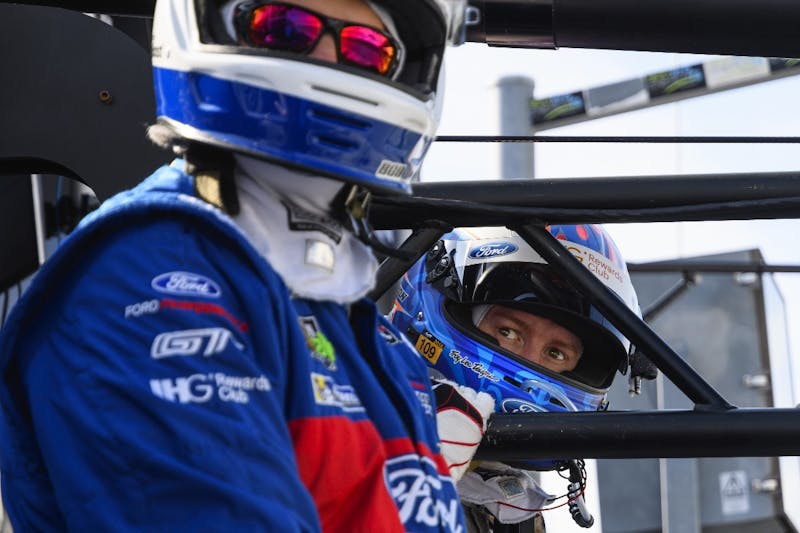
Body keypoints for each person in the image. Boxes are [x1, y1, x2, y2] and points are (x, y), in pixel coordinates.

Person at [0, 0, 486, 530]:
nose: (328, 61)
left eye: (368, 49)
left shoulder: (370, 333)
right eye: (285, 27)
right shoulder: (151, 274)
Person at [389, 224, 641, 532]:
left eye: (556, 353)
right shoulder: (340, 416)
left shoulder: (514, 511)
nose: (531, 362)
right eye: (508, 332)